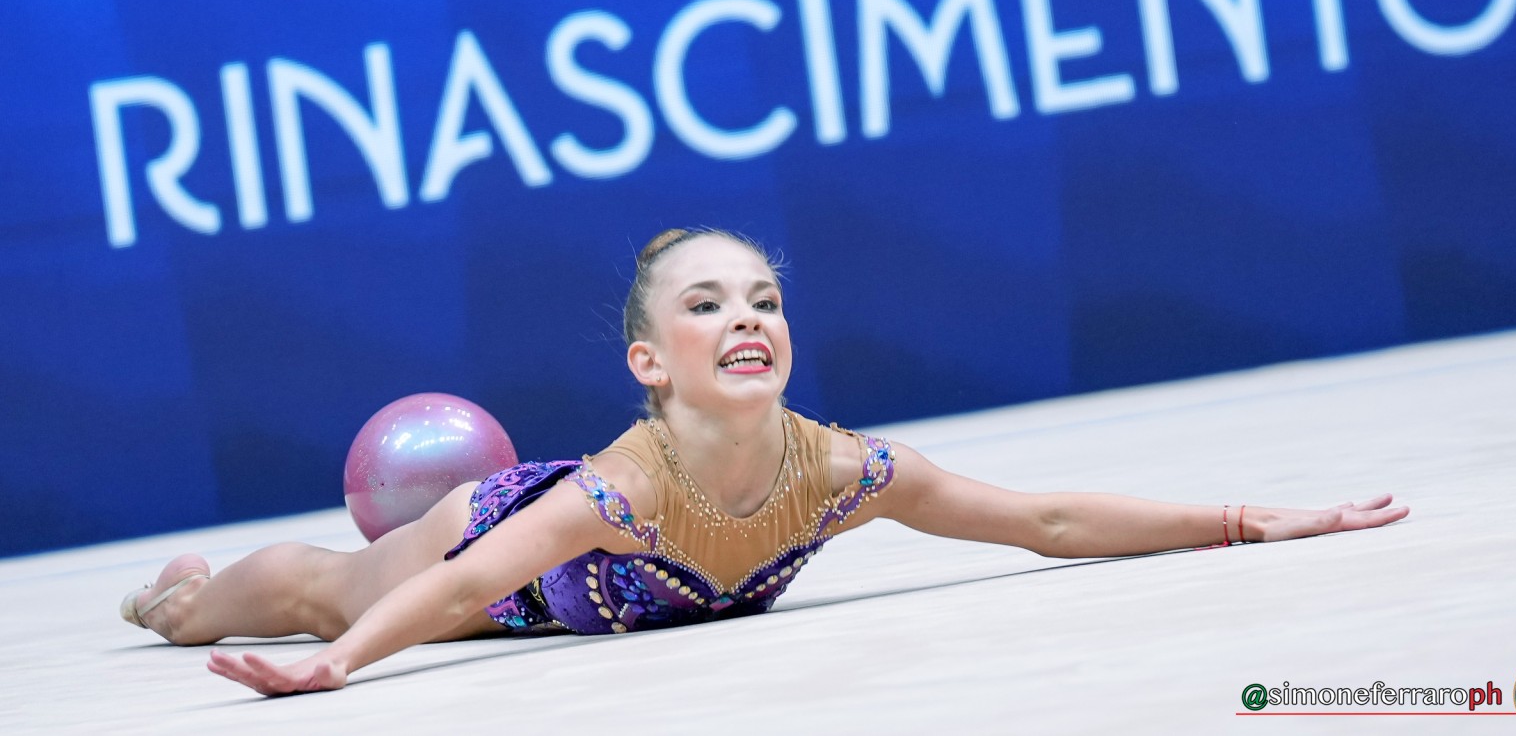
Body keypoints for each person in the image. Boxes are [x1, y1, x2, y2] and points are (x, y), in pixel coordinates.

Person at [120, 228, 1409, 696]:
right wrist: (336, 668)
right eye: (707, 305)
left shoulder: (842, 473)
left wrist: (1247, 518)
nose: (745, 317)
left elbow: (1045, 520)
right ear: (650, 361)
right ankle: (173, 601)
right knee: (321, 591)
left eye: (763, 300)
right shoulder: (615, 492)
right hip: (489, 543)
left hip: (549, 570)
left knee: (352, 605)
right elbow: (459, 588)